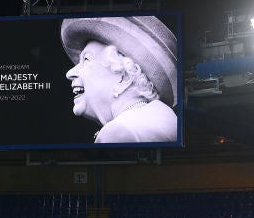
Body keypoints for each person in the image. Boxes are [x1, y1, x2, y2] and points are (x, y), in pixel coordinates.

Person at [61, 16, 178, 144]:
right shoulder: (161, 116)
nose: (69, 73)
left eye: (87, 59)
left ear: (124, 78)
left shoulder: (119, 132)